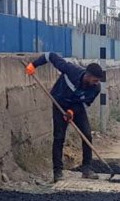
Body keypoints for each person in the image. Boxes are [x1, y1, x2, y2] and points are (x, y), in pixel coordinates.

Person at [25, 52, 106, 183]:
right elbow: (50, 55)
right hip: (60, 103)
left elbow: (85, 104)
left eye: (98, 81)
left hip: (77, 107)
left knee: (87, 135)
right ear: (88, 75)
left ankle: (87, 168)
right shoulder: (70, 70)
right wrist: (34, 65)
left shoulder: (95, 89)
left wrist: (72, 111)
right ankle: (57, 172)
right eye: (95, 80)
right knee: (59, 137)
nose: (96, 83)